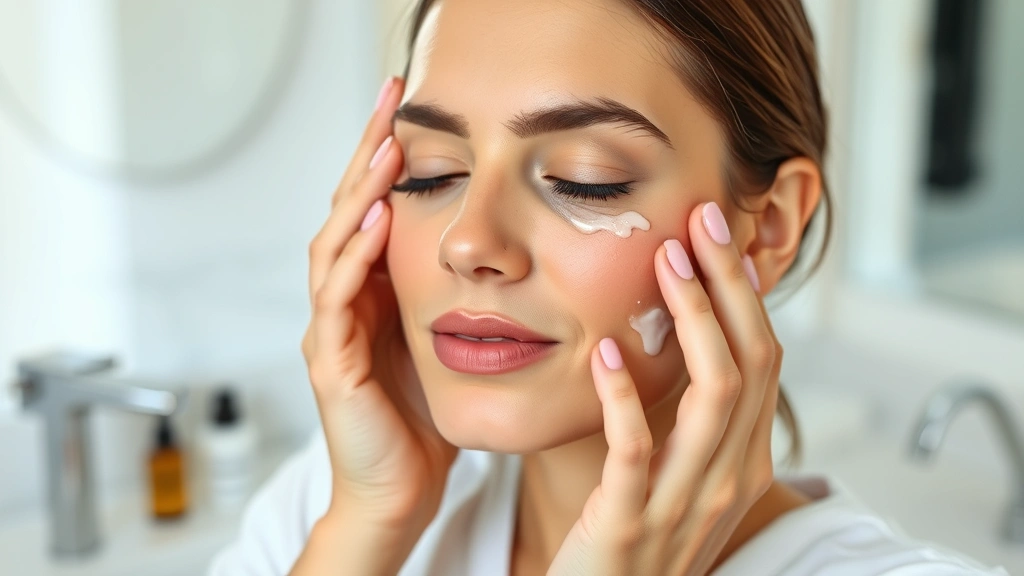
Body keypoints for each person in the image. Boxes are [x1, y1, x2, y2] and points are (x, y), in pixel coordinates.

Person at [209, 0, 1009, 574]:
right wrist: (367, 527)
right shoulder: (332, 500)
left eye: (583, 179)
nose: (468, 242)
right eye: (431, 172)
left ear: (766, 228)